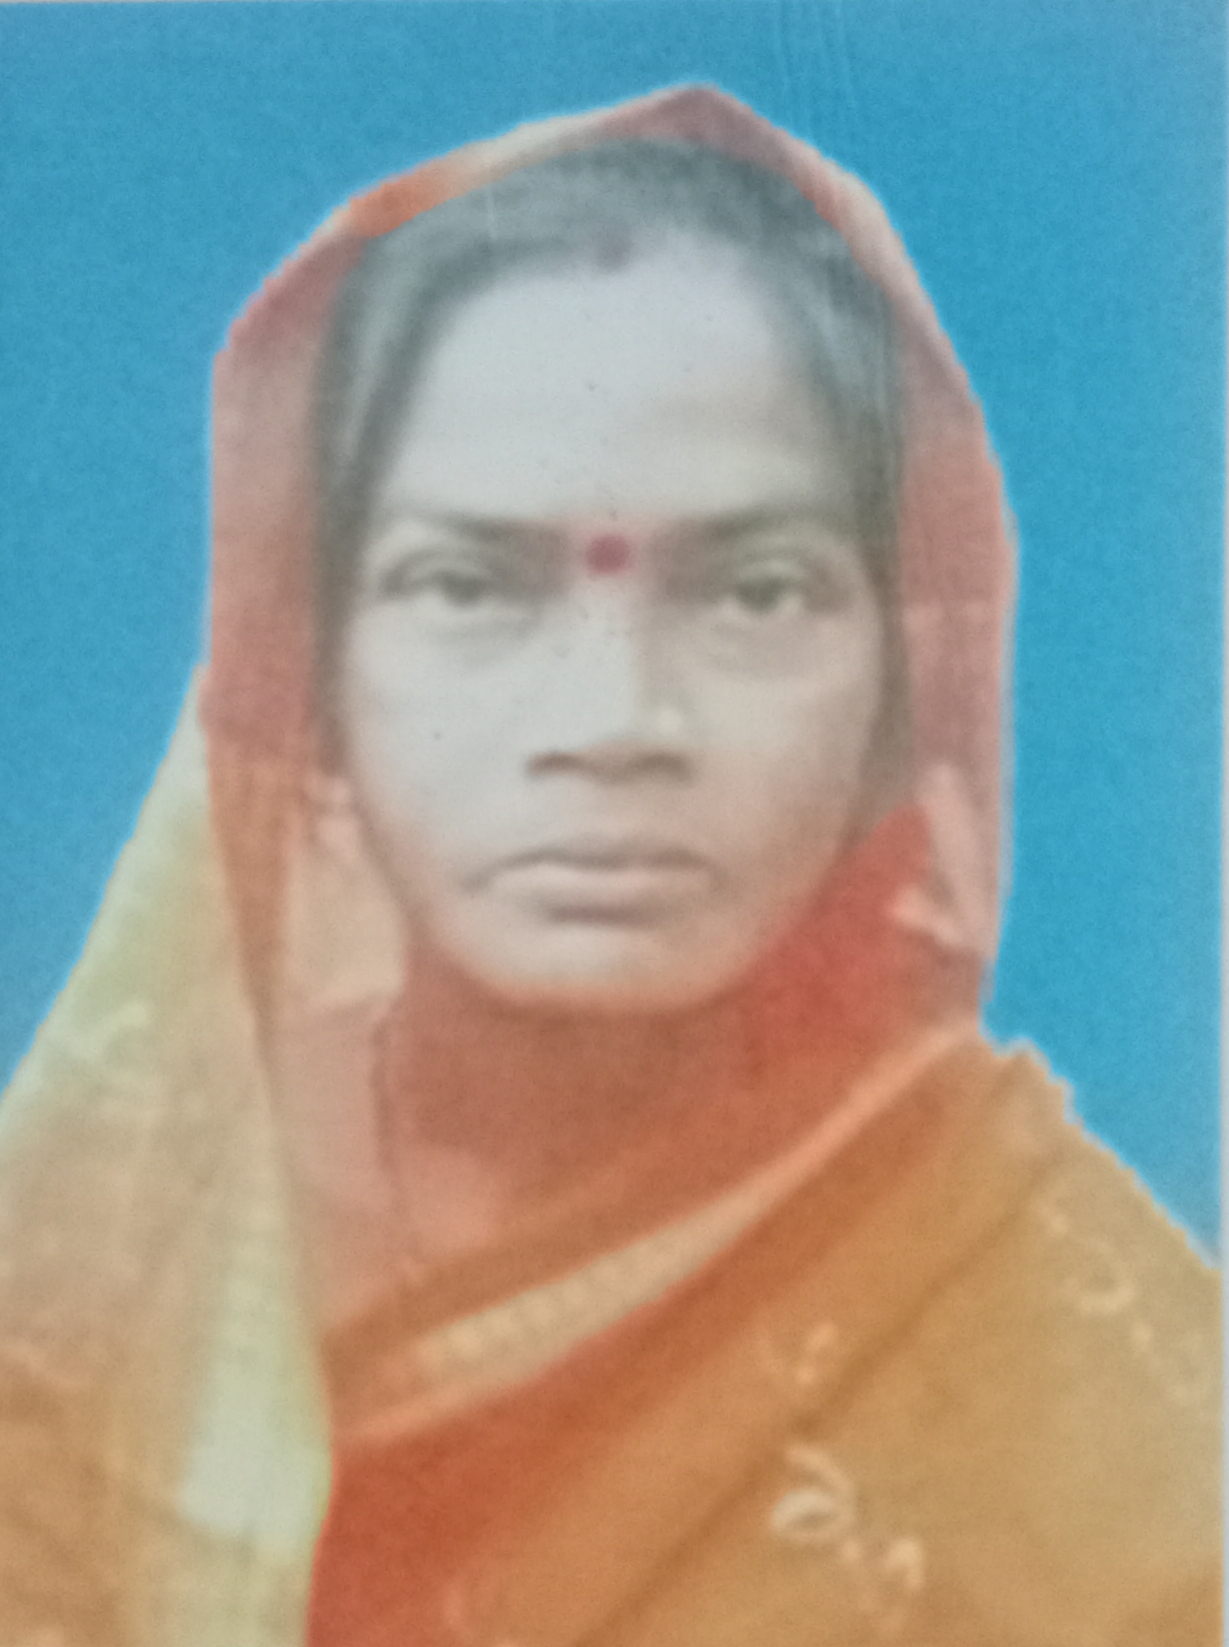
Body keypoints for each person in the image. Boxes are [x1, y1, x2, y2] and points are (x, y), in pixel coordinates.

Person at [0, 85, 1217, 1647]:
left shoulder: (1104, 1400)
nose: (612, 722)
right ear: (302, 679)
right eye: (465, 585)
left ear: (902, 692)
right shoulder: (100, 1267)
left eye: (756, 592)